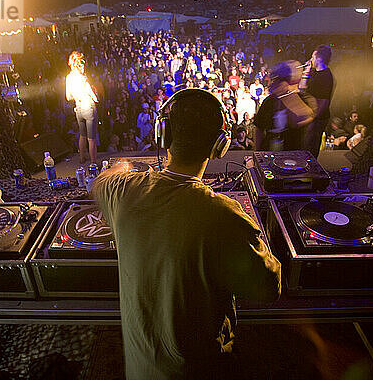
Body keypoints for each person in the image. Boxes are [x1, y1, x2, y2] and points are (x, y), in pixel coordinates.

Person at [92, 88, 281, 380]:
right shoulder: (224, 216)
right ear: (219, 145)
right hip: (196, 371)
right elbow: (269, 289)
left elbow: (102, 179)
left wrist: (126, 166)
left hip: (139, 368)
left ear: (163, 136)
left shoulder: (122, 190)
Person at [255, 60, 317, 151]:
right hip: (269, 151)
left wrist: (286, 96)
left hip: (294, 153)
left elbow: (299, 121)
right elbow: (259, 128)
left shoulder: (306, 100)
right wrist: (258, 152)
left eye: (280, 80)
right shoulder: (270, 101)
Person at [300, 45, 335, 158]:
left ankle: (310, 171)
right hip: (309, 116)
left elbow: (324, 102)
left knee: (310, 147)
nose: (311, 60)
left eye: (313, 57)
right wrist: (306, 70)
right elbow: (302, 87)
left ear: (319, 58)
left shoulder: (326, 76)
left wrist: (313, 118)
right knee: (304, 145)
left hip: (317, 118)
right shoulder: (314, 72)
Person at [66, 51, 99, 164]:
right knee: (91, 138)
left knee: (82, 134)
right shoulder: (83, 78)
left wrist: (77, 96)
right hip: (88, 107)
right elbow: (95, 98)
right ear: (80, 64)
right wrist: (94, 90)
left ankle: (81, 158)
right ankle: (93, 162)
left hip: (78, 108)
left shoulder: (69, 77)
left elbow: (68, 97)